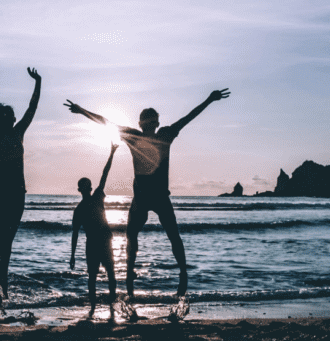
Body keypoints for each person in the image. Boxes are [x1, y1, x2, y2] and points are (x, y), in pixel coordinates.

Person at [65, 88, 230, 298]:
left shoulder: (155, 135)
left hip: (156, 197)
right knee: (137, 235)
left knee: (167, 235)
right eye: (149, 123)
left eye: (151, 123)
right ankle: (139, 273)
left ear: (149, 124)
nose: (151, 126)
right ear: (147, 124)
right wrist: (82, 111)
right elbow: (106, 122)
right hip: (144, 198)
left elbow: (187, 118)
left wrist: (208, 99)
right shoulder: (150, 135)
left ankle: (179, 273)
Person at [0, 66, 41, 304]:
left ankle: (2, 277)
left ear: (13, 119)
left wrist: (38, 82)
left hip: (18, 192)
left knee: (7, 239)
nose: (5, 119)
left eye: (8, 116)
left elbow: (32, 108)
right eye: (1, 117)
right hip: (4, 191)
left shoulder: (19, 132)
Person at [71, 142, 118, 319]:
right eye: (84, 186)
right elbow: (75, 233)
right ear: (83, 189)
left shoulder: (93, 200)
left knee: (105, 275)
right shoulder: (83, 207)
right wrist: (72, 255)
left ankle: (106, 306)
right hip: (97, 243)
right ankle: (98, 307)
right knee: (98, 277)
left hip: (102, 242)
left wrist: (112, 152)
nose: (85, 188)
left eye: (85, 186)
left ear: (86, 189)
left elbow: (104, 175)